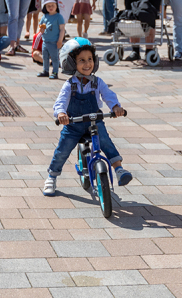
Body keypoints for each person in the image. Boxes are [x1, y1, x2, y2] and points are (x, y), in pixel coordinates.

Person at [43, 38, 133, 196]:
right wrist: (61, 114)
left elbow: (108, 96)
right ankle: (52, 176)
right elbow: (61, 102)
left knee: (106, 142)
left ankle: (119, 169)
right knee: (62, 150)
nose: (87, 64)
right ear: (72, 63)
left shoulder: (98, 82)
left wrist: (116, 107)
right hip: (73, 124)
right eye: (82, 60)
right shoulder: (69, 84)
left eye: (90, 59)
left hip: (94, 122)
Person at [37, 0, 65, 79]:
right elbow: (41, 28)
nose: (50, 7)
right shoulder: (44, 16)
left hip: (54, 42)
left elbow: (62, 29)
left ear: (56, 5)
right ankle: (45, 71)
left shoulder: (59, 17)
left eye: (52, 5)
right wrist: (41, 29)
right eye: (48, 6)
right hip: (45, 41)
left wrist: (60, 40)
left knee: (54, 58)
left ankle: (55, 72)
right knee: (45, 57)